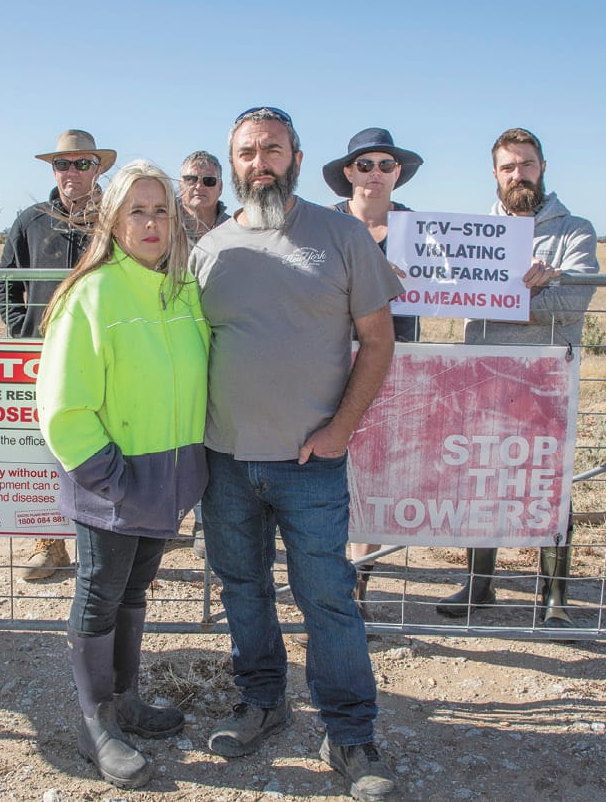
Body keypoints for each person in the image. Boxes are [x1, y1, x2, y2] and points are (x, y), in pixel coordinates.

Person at [192, 107, 401, 802]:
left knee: (327, 597)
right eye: (248, 152)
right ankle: (261, 701)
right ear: (234, 163)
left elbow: (378, 341)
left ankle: (350, 734)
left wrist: (339, 428)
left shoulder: (341, 236)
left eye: (273, 149)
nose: (261, 162)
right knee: (243, 589)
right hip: (224, 461)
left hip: (311, 463)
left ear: (299, 158)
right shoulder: (210, 248)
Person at [35, 161, 209, 789]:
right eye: (137, 210)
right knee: (100, 593)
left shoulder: (183, 293)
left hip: (167, 481)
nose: (152, 222)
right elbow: (63, 407)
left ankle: (127, 701)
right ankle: (94, 721)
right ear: (112, 220)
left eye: (161, 209)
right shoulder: (92, 295)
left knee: (135, 592)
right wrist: (109, 476)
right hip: (112, 485)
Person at [436, 127, 599, 629]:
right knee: (482, 481)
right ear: (494, 174)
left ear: (542, 167)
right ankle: (480, 584)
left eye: (526, 164)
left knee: (551, 484)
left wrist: (503, 299)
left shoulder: (575, 230)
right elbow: (451, 294)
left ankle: (555, 596)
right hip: (482, 377)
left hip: (547, 378)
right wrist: (523, 293)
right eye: (508, 167)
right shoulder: (469, 233)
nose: (517, 174)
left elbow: (574, 302)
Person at [0, 128, 116, 581]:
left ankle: (106, 544)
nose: (72, 172)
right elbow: (5, 281)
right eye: (63, 164)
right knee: (47, 446)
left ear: (97, 168)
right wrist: (21, 330)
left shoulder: (116, 216)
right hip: (43, 355)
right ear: (53, 170)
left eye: (82, 163)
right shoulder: (32, 219)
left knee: (103, 443)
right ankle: (50, 545)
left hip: (105, 353)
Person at [323, 127, 424, 615]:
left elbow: (473, 277)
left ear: (398, 172)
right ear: (348, 173)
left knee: (380, 472)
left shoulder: (422, 229)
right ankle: (327, 577)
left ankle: (359, 584)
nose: (376, 174)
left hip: (397, 357)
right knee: (331, 468)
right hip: (327, 358)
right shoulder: (324, 225)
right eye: (365, 165)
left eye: (386, 165)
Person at [179, 150, 229, 243]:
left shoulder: (234, 230)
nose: (199, 186)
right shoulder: (164, 224)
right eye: (191, 179)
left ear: (220, 187)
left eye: (209, 180)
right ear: (180, 186)